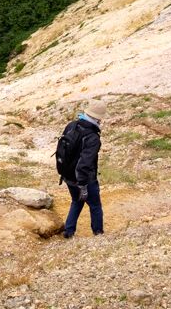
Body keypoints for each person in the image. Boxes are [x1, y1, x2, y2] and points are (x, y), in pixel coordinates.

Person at [62, 100, 106, 239]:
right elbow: (85, 163)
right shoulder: (93, 137)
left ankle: (68, 232)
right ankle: (98, 233)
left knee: (76, 201)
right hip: (85, 180)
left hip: (68, 175)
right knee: (95, 206)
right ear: (98, 118)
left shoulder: (71, 126)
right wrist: (83, 185)